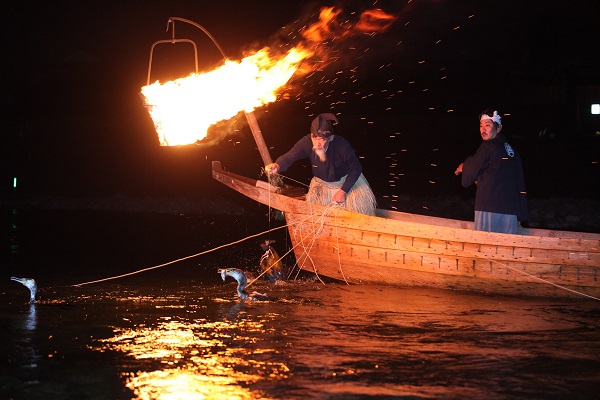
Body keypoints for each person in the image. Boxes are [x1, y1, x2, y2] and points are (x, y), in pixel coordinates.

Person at [265, 113, 377, 215]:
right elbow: (290, 156)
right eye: (314, 138)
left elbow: (356, 168)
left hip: (346, 183)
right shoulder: (306, 143)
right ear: (311, 136)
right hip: (321, 185)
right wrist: (277, 165)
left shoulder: (343, 147)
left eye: (322, 139)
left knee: (355, 214)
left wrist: (343, 191)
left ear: (330, 138)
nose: (317, 144)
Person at [455, 109, 528, 234]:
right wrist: (521, 215)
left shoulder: (489, 146)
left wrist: (464, 167)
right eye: (481, 126)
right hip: (511, 212)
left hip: (490, 209)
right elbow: (502, 179)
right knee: (505, 245)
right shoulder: (512, 152)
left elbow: (468, 176)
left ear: (498, 128)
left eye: (488, 125)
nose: (483, 130)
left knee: (485, 244)